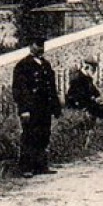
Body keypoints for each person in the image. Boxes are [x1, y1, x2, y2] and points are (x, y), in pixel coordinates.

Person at [12, 38, 62, 175]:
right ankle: (26, 168)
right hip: (31, 108)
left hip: (45, 107)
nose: (40, 48)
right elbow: (19, 90)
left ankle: (41, 166)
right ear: (30, 46)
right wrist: (24, 110)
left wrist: (56, 107)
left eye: (42, 45)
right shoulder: (23, 65)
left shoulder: (46, 65)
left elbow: (52, 87)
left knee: (44, 134)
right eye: (37, 45)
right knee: (29, 135)